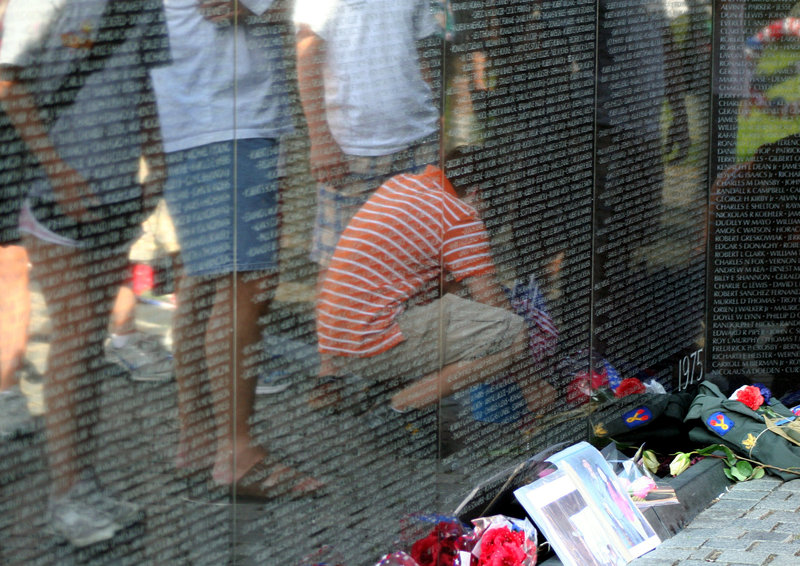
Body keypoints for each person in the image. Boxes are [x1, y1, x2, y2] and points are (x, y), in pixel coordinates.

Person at [0, 0, 170, 546]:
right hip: (55, 196)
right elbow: (8, 83)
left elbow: (142, 82)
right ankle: (68, 499)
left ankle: (83, 486)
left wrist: (157, 159)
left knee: (87, 343)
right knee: (76, 339)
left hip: (116, 192)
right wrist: (57, 170)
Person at [150, 0, 321, 498]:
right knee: (244, 285)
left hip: (193, 118)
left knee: (201, 281)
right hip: (228, 122)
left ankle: (199, 441)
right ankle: (238, 453)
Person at [316, 147, 555, 430]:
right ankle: (396, 410)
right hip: (372, 342)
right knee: (513, 333)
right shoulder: (460, 214)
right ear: (477, 193)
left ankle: (388, 392)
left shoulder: (402, 185)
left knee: (458, 305)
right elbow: (496, 309)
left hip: (336, 340)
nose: (489, 213)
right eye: (492, 204)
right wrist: (533, 384)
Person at [294, 0, 440, 276]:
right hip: (352, 150)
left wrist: (436, 122)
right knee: (339, 265)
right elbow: (307, 53)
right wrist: (321, 140)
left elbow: (420, 54)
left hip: (418, 145)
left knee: (417, 262)